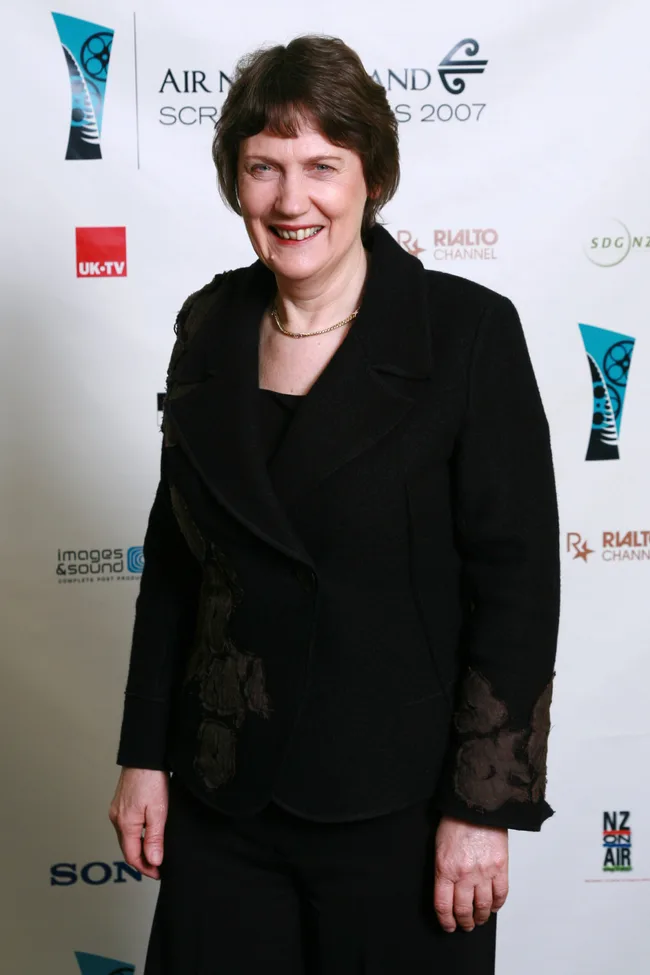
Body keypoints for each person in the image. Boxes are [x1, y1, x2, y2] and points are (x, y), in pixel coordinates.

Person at [109, 34, 560, 975]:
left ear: (373, 177)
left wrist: (482, 807)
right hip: (223, 793)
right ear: (237, 183)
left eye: (323, 165)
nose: (291, 199)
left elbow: (516, 590)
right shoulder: (209, 323)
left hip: (399, 808)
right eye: (263, 167)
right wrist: (144, 753)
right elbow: (178, 563)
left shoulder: (468, 331)